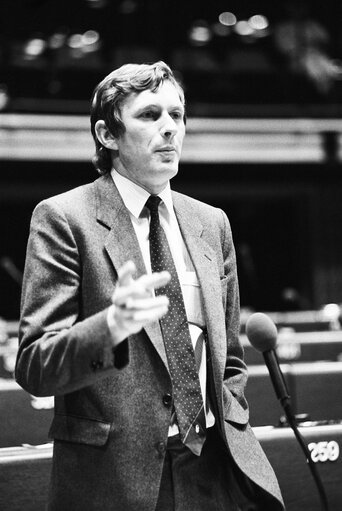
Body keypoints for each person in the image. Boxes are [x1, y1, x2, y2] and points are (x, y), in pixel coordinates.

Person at [15, 61, 284, 511]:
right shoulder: (64, 219)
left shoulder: (211, 223)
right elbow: (35, 366)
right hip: (117, 477)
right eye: (149, 115)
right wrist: (111, 326)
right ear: (107, 134)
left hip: (216, 466)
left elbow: (230, 359)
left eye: (176, 115)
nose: (169, 129)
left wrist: (230, 417)